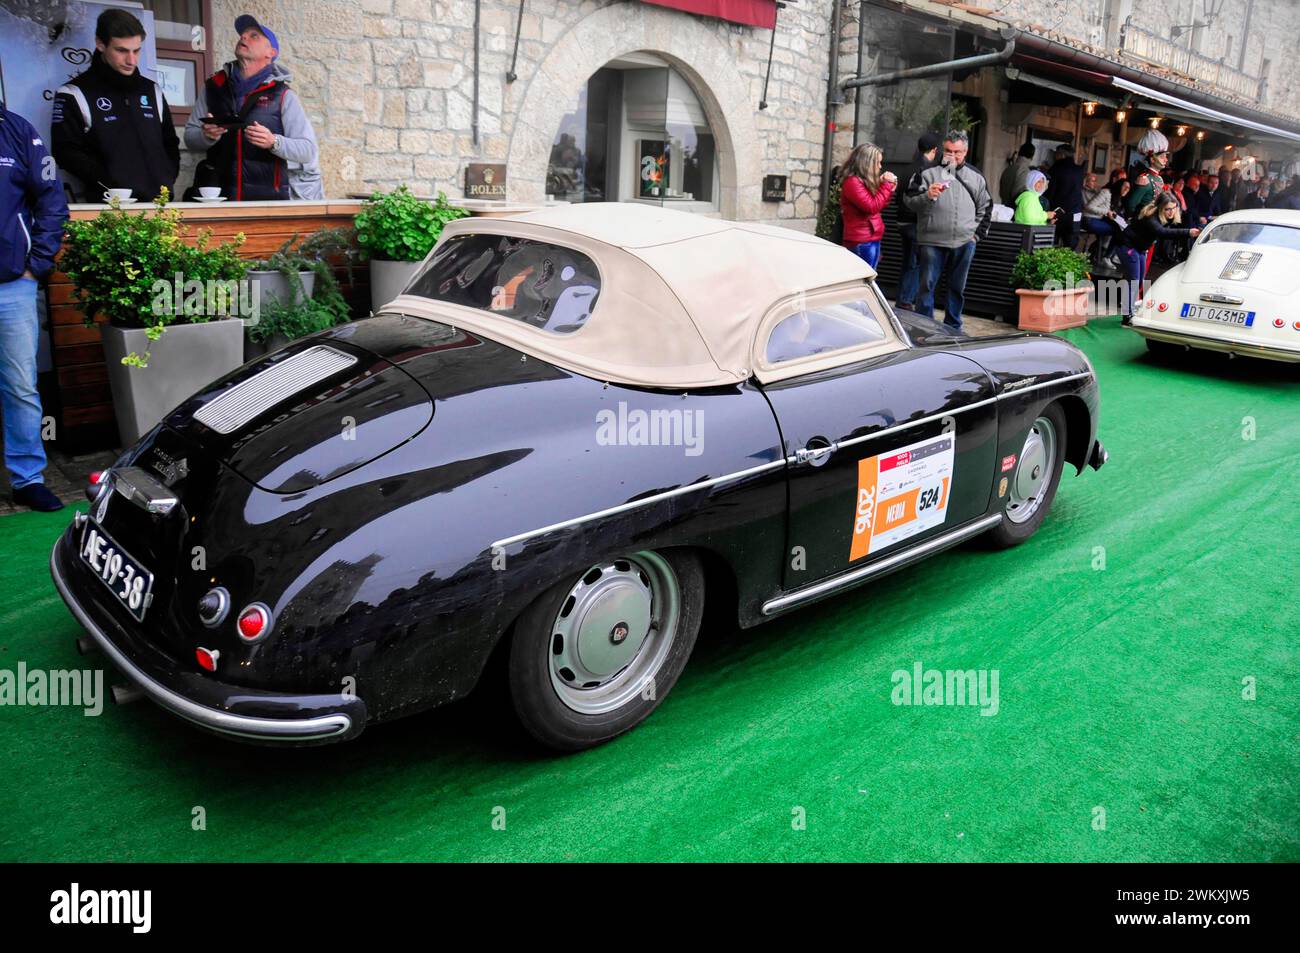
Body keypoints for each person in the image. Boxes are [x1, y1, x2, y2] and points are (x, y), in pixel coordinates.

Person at [1, 107, 70, 511]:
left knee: (20, 386)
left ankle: (27, 479)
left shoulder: (16, 130)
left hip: (12, 284)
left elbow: (51, 198)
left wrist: (35, 265)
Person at [184, 15, 321, 200]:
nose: (243, 37)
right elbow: (190, 139)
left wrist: (274, 141)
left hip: (268, 205)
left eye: (254, 36)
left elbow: (308, 150)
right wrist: (206, 136)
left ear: (270, 52)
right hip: (218, 202)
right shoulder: (213, 87)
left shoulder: (284, 96)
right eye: (242, 35)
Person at [51, 9, 180, 202]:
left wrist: (166, 178)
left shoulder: (151, 90)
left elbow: (170, 142)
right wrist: (110, 182)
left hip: (160, 207)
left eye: (136, 50)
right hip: (111, 210)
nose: (131, 60)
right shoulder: (74, 93)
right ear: (100, 44)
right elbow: (65, 152)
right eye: (121, 50)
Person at [903, 129, 992, 331]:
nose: (951, 155)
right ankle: (924, 327)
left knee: (957, 288)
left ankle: (953, 326)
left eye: (957, 152)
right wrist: (927, 196)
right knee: (926, 286)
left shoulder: (976, 177)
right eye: (948, 151)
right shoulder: (926, 173)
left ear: (965, 152)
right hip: (931, 240)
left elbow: (985, 207)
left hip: (964, 241)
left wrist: (975, 237)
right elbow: (909, 201)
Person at [1115, 192, 1199, 325]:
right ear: (1161, 208)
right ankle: (1127, 315)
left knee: (1140, 280)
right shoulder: (1151, 218)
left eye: (1174, 208)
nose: (1171, 212)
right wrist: (1188, 232)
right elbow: (1163, 233)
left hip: (1140, 248)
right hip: (1127, 246)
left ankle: (1130, 309)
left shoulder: (1167, 215)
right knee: (1134, 281)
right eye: (1168, 209)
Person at [895, 131, 941, 310]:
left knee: (908, 262)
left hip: (901, 221)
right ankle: (905, 301)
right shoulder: (926, 171)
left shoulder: (908, 167)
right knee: (914, 264)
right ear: (934, 150)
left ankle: (902, 299)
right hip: (914, 222)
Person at [838, 142, 897, 269]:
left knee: (870, 279)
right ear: (867, 163)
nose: (880, 166)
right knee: (865, 280)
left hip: (870, 238)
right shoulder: (852, 182)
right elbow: (872, 207)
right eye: (878, 162)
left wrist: (887, 189)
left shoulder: (862, 181)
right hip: (861, 241)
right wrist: (886, 185)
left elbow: (878, 205)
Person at [1045, 145, 1086, 249]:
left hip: (1058, 210)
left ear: (1062, 155)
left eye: (1056, 154)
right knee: (1071, 244)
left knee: (1051, 242)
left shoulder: (1055, 169)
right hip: (1075, 211)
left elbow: (1050, 192)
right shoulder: (1079, 170)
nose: (1055, 157)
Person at [999, 142, 1036, 206]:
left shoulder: (1010, 168)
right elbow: (1018, 194)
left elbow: (1001, 191)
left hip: (1005, 205)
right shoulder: (1024, 170)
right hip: (1014, 209)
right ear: (1032, 156)